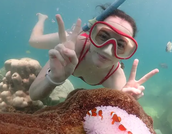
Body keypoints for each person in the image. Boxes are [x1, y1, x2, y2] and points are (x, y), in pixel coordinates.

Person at [29, 6, 159, 101]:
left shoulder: (114, 77)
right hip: (72, 38)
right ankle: (42, 19)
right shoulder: (71, 48)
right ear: (92, 34)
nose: (108, 50)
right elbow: (34, 94)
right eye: (103, 36)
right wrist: (52, 79)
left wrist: (127, 100)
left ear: (126, 52)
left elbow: (122, 111)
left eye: (120, 45)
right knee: (34, 41)